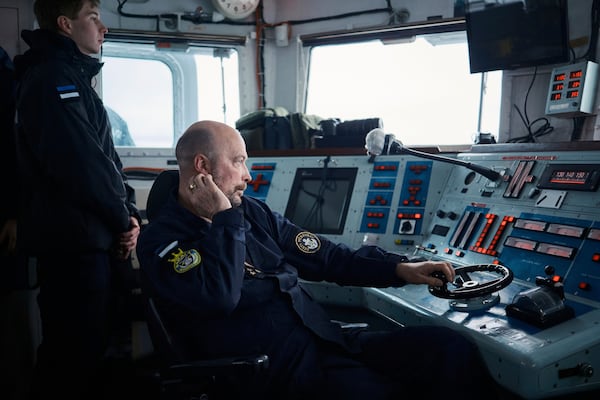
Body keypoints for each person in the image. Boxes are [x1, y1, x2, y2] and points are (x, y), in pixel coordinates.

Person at [136, 120, 501, 400]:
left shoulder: (251, 213)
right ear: (203, 166)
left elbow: (324, 256)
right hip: (275, 373)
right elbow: (220, 296)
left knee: (448, 350)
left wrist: (399, 268)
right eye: (238, 162)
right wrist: (224, 220)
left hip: (324, 341)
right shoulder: (162, 242)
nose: (248, 175)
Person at [13, 1, 141, 399]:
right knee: (70, 360)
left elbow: (108, 160)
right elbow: (83, 166)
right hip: (74, 246)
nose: (103, 29)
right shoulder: (54, 80)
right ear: (66, 24)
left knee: (96, 356)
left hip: (93, 240)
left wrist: (131, 215)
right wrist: (124, 222)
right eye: (93, 18)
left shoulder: (73, 78)